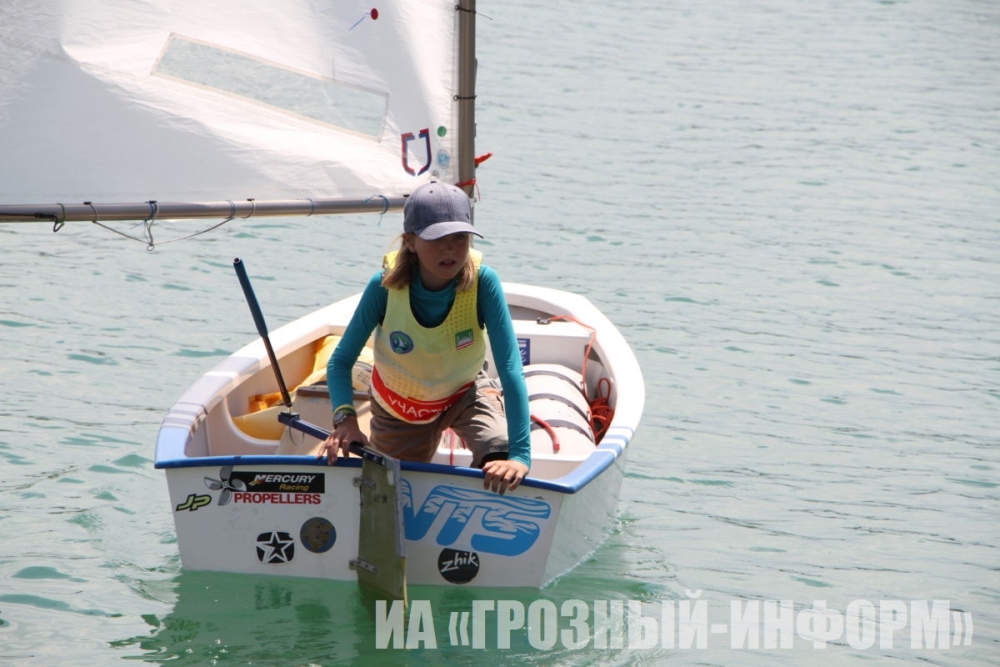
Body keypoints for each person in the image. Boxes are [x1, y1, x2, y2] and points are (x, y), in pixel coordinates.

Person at [321, 181, 530, 494]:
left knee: (499, 452)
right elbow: (340, 362)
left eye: (460, 237)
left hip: (463, 393)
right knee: (389, 490)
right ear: (410, 241)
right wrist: (345, 420)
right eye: (437, 238)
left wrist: (520, 456)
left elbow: (511, 370)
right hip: (399, 408)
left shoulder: (483, 282)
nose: (450, 249)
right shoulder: (383, 287)